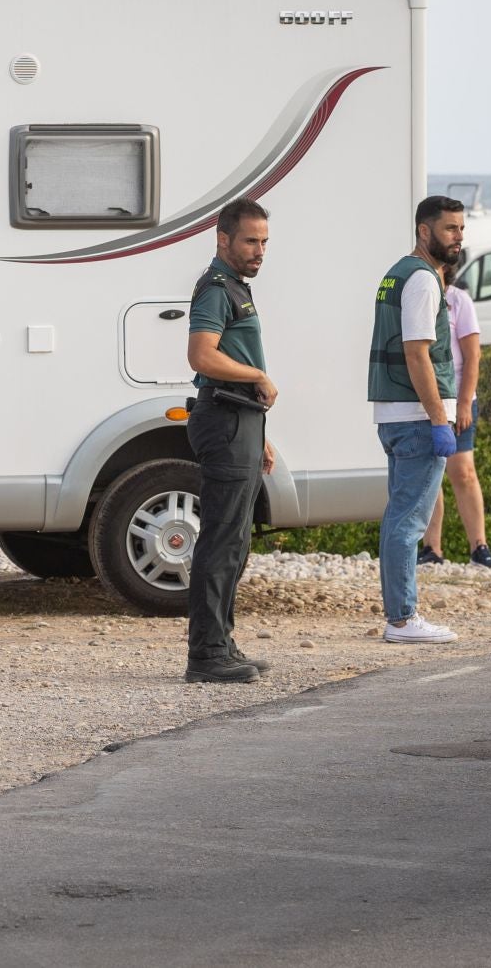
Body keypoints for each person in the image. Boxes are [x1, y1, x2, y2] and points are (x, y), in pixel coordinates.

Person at [182, 198, 278, 684]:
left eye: (264, 242)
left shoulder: (236, 287)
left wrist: (260, 436)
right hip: (223, 418)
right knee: (221, 541)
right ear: (223, 240)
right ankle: (207, 656)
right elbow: (202, 355)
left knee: (236, 542)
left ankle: (222, 642)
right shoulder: (216, 289)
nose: (259, 250)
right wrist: (258, 374)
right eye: (250, 241)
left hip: (241, 421)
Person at [367, 195, 465, 644]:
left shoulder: (396, 273)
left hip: (394, 413)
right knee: (408, 523)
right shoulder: (423, 280)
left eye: (461, 229)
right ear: (424, 231)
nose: (458, 237)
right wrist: (439, 419)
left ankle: (399, 615)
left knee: (398, 518)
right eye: (449, 229)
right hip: (416, 417)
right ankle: (402, 619)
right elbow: (416, 353)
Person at [420, 254, 491, 568]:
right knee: (429, 476)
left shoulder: (459, 301)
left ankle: (479, 546)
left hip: (457, 401)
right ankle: (431, 548)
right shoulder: (419, 298)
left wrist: (465, 403)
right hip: (426, 401)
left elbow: (472, 357)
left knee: (463, 472)